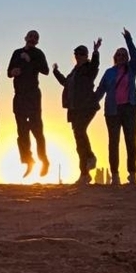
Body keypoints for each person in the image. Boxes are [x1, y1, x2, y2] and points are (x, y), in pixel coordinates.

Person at [94, 29, 136, 185]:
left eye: (123, 55)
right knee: (113, 143)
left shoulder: (131, 69)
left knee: (130, 141)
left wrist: (129, 40)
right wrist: (91, 102)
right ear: (115, 58)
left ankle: (132, 174)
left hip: (129, 109)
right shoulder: (109, 72)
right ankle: (115, 175)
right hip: (112, 111)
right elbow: (100, 90)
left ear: (127, 57)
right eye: (118, 55)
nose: (121, 57)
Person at [53, 39, 101, 185]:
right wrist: (56, 72)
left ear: (86, 56)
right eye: (76, 54)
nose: (78, 56)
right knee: (79, 141)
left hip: (87, 107)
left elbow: (95, 65)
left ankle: (91, 157)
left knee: (80, 131)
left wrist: (96, 52)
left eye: (81, 54)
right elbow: (65, 83)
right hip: (74, 109)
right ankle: (84, 174)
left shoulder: (88, 69)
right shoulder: (74, 72)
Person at [8, 30, 50, 177]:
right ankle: (28, 160)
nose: (32, 38)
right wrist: (13, 72)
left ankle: (44, 160)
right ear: (25, 38)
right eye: (30, 36)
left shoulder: (38, 54)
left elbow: (46, 70)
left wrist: (30, 60)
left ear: (37, 41)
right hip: (19, 96)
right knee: (22, 131)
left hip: (33, 96)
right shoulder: (16, 53)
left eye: (35, 37)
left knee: (37, 131)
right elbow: (8, 72)